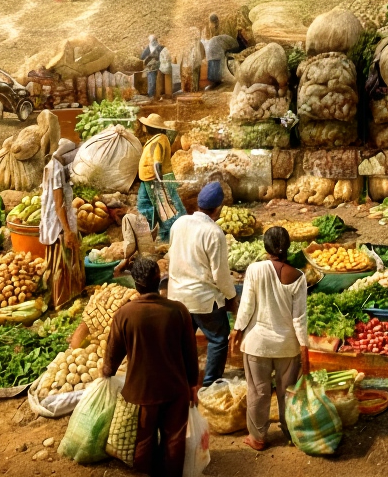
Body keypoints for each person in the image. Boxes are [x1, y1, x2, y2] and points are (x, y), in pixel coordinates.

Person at [101, 256, 200, 477]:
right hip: (175, 389)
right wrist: (193, 384)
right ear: (160, 280)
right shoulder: (178, 311)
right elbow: (190, 353)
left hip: (141, 391)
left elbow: (112, 355)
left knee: (143, 441)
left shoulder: (124, 314)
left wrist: (107, 372)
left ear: (136, 284)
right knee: (174, 440)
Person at [231, 226, 309, 451]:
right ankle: (290, 432)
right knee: (288, 392)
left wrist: (237, 330)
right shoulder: (298, 276)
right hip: (288, 346)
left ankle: (257, 437)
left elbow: (246, 307)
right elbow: (300, 318)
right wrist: (304, 347)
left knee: (259, 391)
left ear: (266, 247)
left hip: (258, 344)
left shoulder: (255, 270)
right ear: (288, 247)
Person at [169, 182, 239, 386]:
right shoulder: (214, 232)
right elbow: (221, 275)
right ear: (218, 208)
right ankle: (210, 383)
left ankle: (181, 378)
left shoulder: (179, 223)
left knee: (183, 340)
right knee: (218, 338)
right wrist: (232, 297)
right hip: (203, 300)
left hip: (177, 296)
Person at [40, 138, 84, 309]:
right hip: (58, 224)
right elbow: (59, 204)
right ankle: (61, 302)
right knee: (61, 264)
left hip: (53, 221)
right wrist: (67, 231)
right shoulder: (56, 168)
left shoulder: (52, 166)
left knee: (58, 263)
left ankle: (59, 300)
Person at [137, 113, 184, 241]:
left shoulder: (159, 140)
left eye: (146, 125)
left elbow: (157, 162)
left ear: (150, 127)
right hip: (148, 179)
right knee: (147, 205)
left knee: (167, 209)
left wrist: (159, 181)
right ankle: (151, 233)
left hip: (156, 178)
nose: (144, 127)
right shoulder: (156, 139)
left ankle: (170, 236)